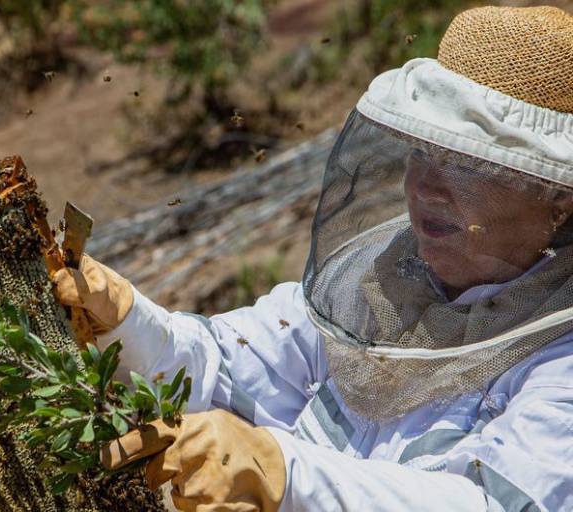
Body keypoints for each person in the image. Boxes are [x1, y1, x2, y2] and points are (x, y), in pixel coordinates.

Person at [54, 6, 573, 511]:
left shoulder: (561, 361)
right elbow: (224, 368)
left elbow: (497, 502)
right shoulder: (375, 287)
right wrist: (124, 322)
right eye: (422, 153)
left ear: (557, 197)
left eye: (464, 164)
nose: (426, 187)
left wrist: (286, 475)